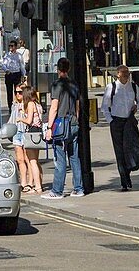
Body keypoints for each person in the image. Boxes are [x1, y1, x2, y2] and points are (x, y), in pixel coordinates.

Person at [42, 57, 84, 199]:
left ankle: (57, 191)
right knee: (74, 157)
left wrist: (49, 127)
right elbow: (77, 105)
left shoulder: (56, 85)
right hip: (73, 122)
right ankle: (78, 188)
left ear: (58, 69)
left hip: (60, 124)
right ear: (69, 68)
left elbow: (54, 107)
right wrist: (76, 119)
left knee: (60, 158)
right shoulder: (74, 84)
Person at [101, 64, 139, 191]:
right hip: (117, 121)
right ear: (118, 75)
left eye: (127, 74)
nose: (126, 77)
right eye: (123, 74)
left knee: (134, 148)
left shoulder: (133, 87)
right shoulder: (112, 87)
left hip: (129, 121)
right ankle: (124, 180)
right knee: (120, 152)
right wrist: (111, 121)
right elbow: (105, 106)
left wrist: (137, 106)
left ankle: (129, 171)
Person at [21, 84, 44, 194]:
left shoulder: (30, 104)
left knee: (32, 161)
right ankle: (40, 183)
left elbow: (29, 121)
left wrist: (20, 118)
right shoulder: (38, 104)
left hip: (32, 132)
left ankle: (38, 186)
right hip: (38, 132)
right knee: (36, 161)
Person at [8, 83, 29, 188]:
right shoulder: (14, 105)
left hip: (25, 132)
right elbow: (11, 119)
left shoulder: (28, 104)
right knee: (20, 159)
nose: (17, 94)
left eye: (20, 92)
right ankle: (23, 182)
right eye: (16, 92)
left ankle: (31, 183)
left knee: (28, 159)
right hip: (17, 133)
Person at [1, 40, 26, 109]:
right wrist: (6, 70)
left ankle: (17, 106)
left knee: (17, 91)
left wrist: (24, 75)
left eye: (12, 46)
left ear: (15, 47)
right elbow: (3, 64)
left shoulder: (19, 55)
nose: (10, 47)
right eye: (9, 46)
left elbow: (22, 66)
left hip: (17, 74)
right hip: (9, 75)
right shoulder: (7, 55)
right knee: (9, 92)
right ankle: (10, 107)